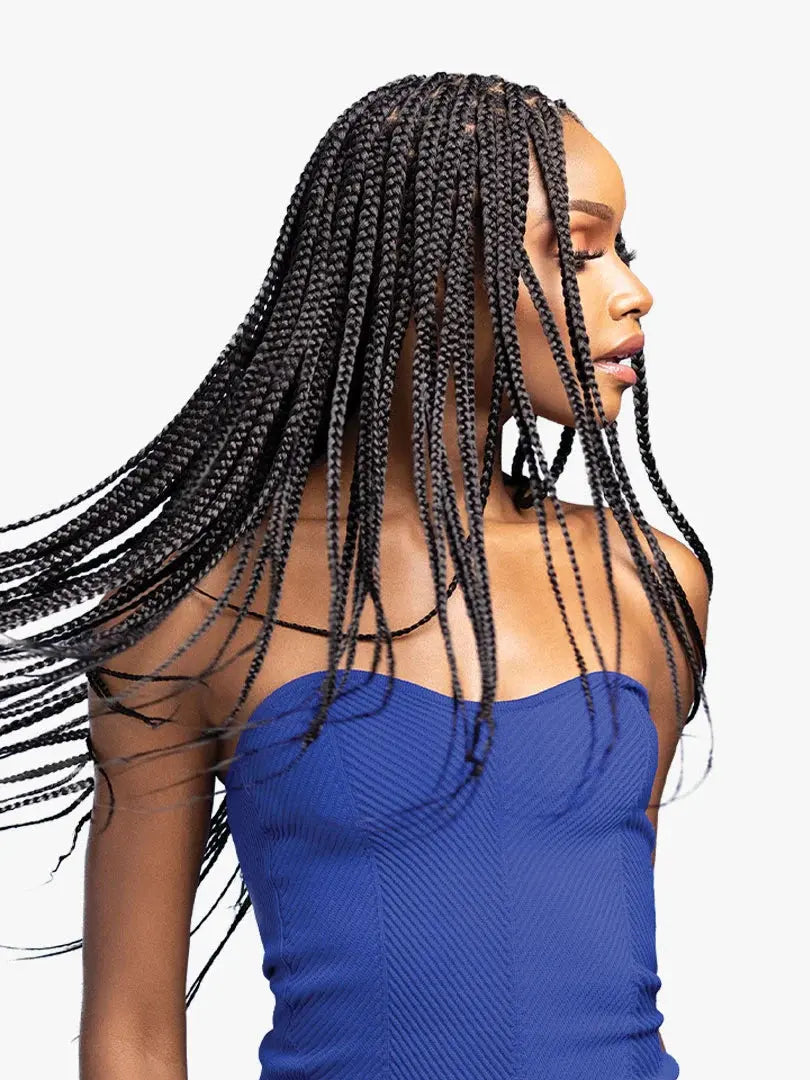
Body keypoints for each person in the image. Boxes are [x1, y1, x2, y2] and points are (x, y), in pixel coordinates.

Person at [0, 72, 713, 1079]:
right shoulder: (190, 612)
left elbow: (600, 964)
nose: (633, 291)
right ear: (428, 270)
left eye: (620, 252)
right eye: (578, 249)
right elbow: (133, 1035)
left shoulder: (651, 583)